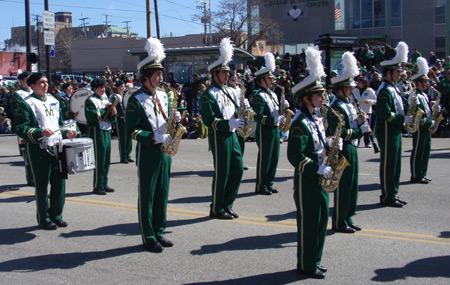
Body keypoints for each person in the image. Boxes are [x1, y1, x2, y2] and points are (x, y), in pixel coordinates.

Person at [126, 38, 180, 252]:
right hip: (149, 150)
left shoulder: (164, 95)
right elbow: (131, 131)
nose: (160, 77)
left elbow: (165, 120)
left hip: (165, 151)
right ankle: (148, 236)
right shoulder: (135, 100)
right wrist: (154, 137)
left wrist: (174, 123)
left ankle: (159, 231)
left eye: (160, 73)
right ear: (145, 76)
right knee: (148, 194)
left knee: (162, 193)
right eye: (156, 74)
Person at [288, 46, 331, 279]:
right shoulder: (299, 123)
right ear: (306, 98)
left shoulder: (315, 119)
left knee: (322, 218)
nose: (322, 98)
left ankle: (315, 258)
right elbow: (295, 156)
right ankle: (306, 264)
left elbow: (318, 145)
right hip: (308, 180)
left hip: (321, 176)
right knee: (309, 223)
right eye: (318, 95)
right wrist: (316, 167)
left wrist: (332, 145)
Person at [15, 72, 79, 230]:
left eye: (46, 82)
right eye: (41, 82)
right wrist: (39, 133)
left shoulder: (54, 101)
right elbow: (20, 128)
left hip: (57, 146)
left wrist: (67, 133)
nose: (45, 85)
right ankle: (44, 218)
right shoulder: (26, 103)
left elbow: (58, 125)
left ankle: (56, 215)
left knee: (60, 182)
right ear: (33, 85)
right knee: (42, 185)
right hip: (38, 148)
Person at [200, 38, 244, 220]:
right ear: (215, 74)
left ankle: (228, 204)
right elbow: (209, 120)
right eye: (224, 73)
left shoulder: (231, 90)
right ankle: (217, 208)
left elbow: (236, 110)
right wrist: (228, 124)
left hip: (233, 135)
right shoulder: (208, 94)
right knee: (222, 172)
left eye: (228, 73)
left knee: (238, 169)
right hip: (219, 136)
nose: (228, 76)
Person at [329, 52, 371, 233]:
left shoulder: (348, 103)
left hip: (352, 148)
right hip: (342, 149)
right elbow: (339, 132)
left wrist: (361, 121)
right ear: (341, 89)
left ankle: (348, 216)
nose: (352, 90)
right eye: (349, 87)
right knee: (344, 187)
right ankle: (339, 221)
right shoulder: (336, 106)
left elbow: (352, 124)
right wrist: (358, 131)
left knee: (353, 186)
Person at [375, 41, 412, 208]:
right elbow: (385, 113)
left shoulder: (393, 88)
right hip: (388, 131)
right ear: (388, 73)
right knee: (389, 165)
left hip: (395, 131)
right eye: (397, 72)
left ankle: (393, 193)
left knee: (396, 164)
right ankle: (387, 195)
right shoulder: (384, 90)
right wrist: (402, 120)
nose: (400, 74)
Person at [252, 53, 287, 195]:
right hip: (264, 130)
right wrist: (274, 120)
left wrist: (282, 109)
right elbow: (258, 117)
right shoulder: (259, 96)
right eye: (269, 78)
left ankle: (269, 182)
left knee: (274, 157)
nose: (272, 80)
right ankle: (261, 185)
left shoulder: (272, 94)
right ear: (262, 80)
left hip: (275, 129)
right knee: (265, 158)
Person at [85, 77, 117, 195]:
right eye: (101, 88)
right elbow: (93, 116)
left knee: (106, 158)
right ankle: (98, 185)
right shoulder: (90, 100)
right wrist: (106, 109)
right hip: (97, 130)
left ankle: (104, 183)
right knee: (99, 159)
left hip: (106, 129)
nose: (103, 90)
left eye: (104, 87)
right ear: (94, 88)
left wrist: (113, 112)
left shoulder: (104, 98)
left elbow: (109, 116)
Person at [7, 71, 34, 186]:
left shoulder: (34, 92)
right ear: (22, 81)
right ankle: (31, 178)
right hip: (26, 127)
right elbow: (17, 111)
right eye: (27, 79)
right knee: (27, 154)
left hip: (38, 126)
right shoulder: (17, 95)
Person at [409, 57, 434, 184]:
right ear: (418, 82)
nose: (427, 84)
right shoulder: (415, 95)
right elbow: (417, 114)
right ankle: (416, 174)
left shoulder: (424, 94)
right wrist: (429, 122)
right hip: (420, 127)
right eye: (424, 81)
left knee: (426, 149)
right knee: (418, 150)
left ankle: (422, 172)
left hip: (426, 127)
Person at [110, 81, 133, 164]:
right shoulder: (114, 97)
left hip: (127, 119)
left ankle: (128, 155)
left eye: (123, 86)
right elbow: (113, 109)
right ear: (117, 87)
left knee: (129, 138)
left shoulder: (125, 95)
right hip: (120, 119)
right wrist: (121, 112)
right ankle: (123, 157)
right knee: (123, 138)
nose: (123, 88)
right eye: (121, 86)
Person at [353, 77, 377, 148]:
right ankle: (357, 142)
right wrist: (352, 102)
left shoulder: (369, 90)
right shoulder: (355, 90)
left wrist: (369, 101)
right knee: (357, 127)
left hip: (366, 111)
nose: (358, 83)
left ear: (364, 83)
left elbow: (375, 100)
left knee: (366, 128)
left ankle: (367, 142)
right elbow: (351, 98)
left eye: (360, 82)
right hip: (357, 111)